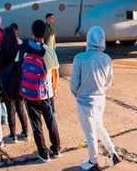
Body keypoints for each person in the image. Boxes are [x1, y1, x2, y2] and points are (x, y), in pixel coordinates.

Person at [70, 26, 121, 170]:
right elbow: (108, 81)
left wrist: (77, 94)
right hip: (100, 99)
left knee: (90, 133)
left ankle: (93, 162)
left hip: (85, 101)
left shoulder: (80, 58)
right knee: (99, 126)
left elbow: (74, 83)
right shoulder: (107, 59)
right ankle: (112, 152)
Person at [19, 20, 61, 162]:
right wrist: (54, 89)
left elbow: (20, 69)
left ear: (31, 33)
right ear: (45, 34)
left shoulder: (25, 50)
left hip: (31, 93)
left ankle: (43, 153)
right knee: (51, 122)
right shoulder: (49, 51)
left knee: (36, 124)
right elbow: (55, 73)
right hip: (47, 93)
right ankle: (56, 148)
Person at [0, 27, 30, 143]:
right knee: (21, 107)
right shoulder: (19, 49)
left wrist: (1, 78)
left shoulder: (0, 52)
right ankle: (26, 131)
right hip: (18, 82)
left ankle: (13, 135)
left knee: (10, 109)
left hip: (6, 83)